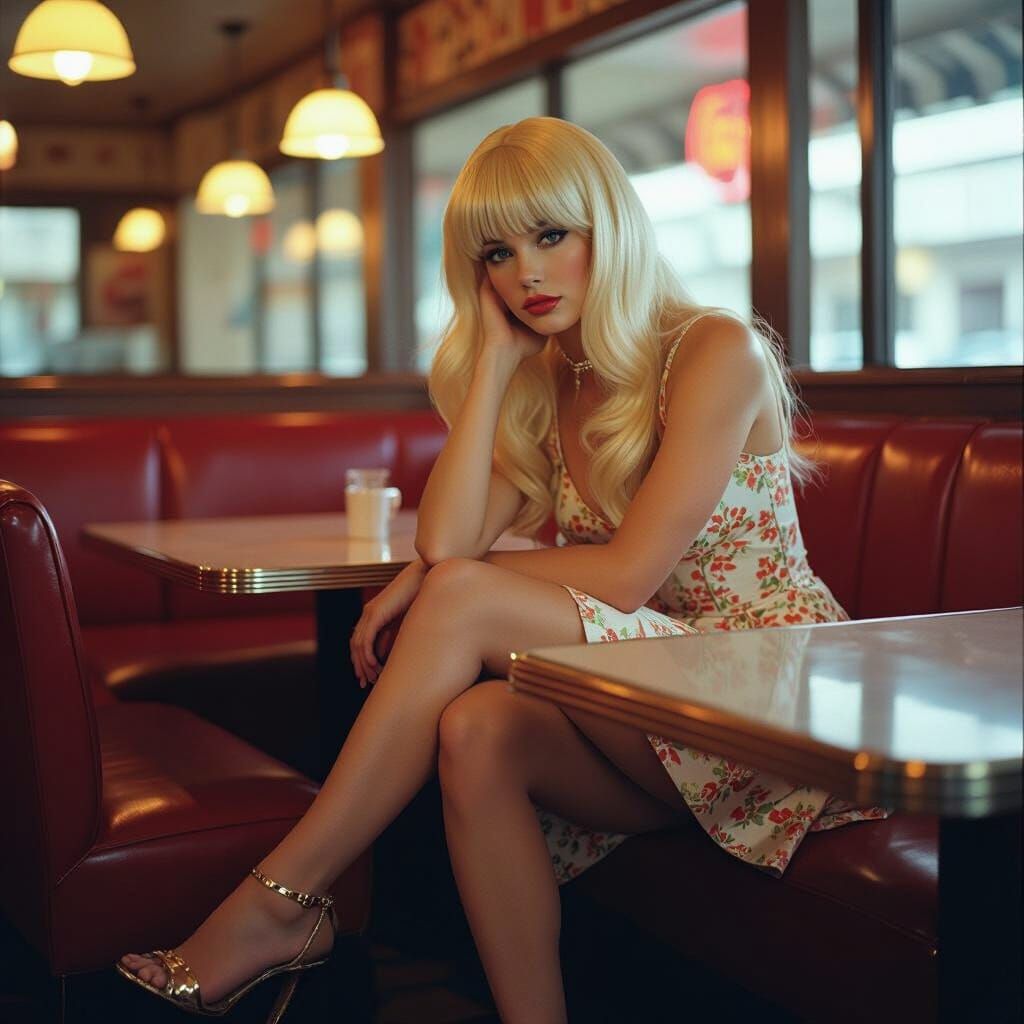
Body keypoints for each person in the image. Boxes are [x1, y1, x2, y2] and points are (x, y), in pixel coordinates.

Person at [117, 116, 885, 1022]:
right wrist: (494, 364)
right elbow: (447, 541)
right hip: (657, 710)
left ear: (610, 225)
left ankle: (277, 902)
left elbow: (630, 573)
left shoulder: (715, 349)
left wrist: (445, 582)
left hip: (767, 708)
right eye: (496, 253)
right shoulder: (557, 376)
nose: (525, 273)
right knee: (476, 729)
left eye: (551, 235)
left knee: (461, 602)